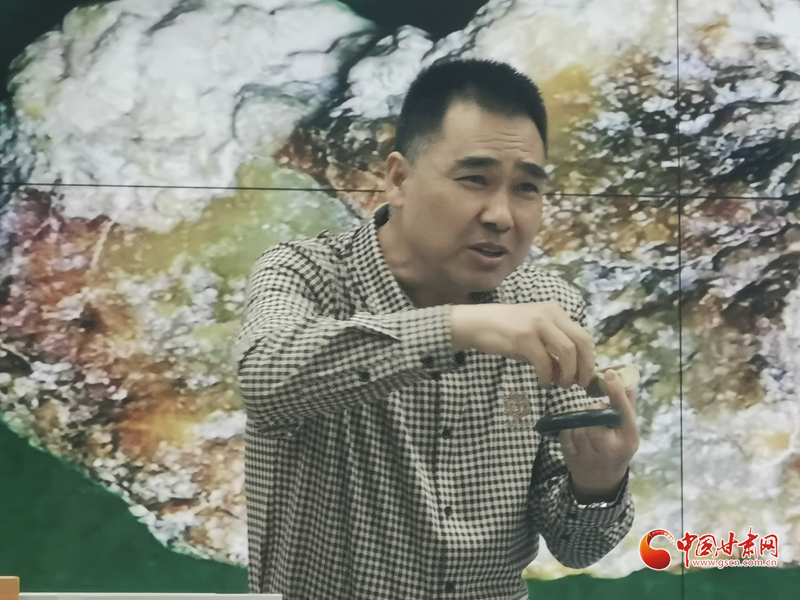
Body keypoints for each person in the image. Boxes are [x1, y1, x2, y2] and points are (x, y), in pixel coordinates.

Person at [233, 58, 638, 600]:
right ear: (398, 179)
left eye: (526, 188)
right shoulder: (307, 274)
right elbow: (263, 380)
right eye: (475, 179)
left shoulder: (550, 304)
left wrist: (599, 482)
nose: (502, 216)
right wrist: (457, 327)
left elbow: (576, 547)